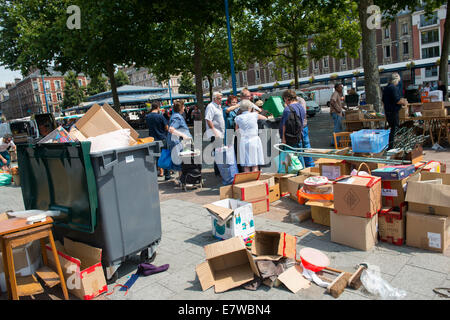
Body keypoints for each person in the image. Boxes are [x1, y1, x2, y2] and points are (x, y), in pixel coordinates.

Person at [235, 100, 267, 172]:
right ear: (250, 107)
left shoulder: (238, 118)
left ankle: (248, 181)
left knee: (246, 165)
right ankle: (255, 182)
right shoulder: (255, 115)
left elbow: (237, 131)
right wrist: (256, 110)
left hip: (243, 141)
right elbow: (265, 118)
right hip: (254, 140)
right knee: (254, 164)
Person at [382, 72, 408, 150]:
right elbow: (397, 100)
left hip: (388, 111)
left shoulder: (386, 88)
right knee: (394, 129)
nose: (398, 83)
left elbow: (383, 100)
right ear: (396, 80)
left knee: (392, 128)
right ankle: (391, 146)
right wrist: (404, 102)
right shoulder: (393, 88)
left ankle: (391, 145)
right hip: (393, 111)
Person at [280, 90, 306, 167]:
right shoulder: (301, 107)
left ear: (287, 98)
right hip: (299, 136)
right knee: (299, 157)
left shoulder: (287, 109)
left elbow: (284, 125)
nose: (285, 101)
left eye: (284, 99)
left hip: (290, 138)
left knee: (290, 160)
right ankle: (302, 173)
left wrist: (283, 139)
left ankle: (292, 176)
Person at [168, 100, 192, 182]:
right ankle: (183, 180)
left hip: (177, 142)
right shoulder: (177, 117)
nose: (184, 108)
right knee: (181, 162)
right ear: (181, 108)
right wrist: (183, 135)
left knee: (180, 162)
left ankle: (182, 179)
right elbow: (171, 129)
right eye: (183, 106)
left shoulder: (175, 115)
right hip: (178, 143)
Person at [146, 101, 171, 180]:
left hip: (152, 139)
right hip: (162, 138)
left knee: (157, 157)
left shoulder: (148, 117)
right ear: (158, 107)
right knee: (165, 156)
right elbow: (166, 127)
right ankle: (167, 175)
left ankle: (160, 172)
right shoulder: (160, 117)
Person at [205, 92, 226, 176]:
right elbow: (208, 119)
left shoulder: (218, 106)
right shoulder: (211, 107)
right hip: (215, 134)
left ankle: (218, 170)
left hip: (220, 133)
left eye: (221, 98)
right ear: (215, 99)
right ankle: (219, 171)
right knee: (218, 152)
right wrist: (214, 131)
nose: (221, 100)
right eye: (219, 98)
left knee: (218, 152)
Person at [296, 96, 314, 168]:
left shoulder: (300, 100)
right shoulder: (300, 100)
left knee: (304, 147)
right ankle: (308, 166)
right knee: (304, 147)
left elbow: (301, 115)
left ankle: (309, 166)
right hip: (302, 126)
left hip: (302, 127)